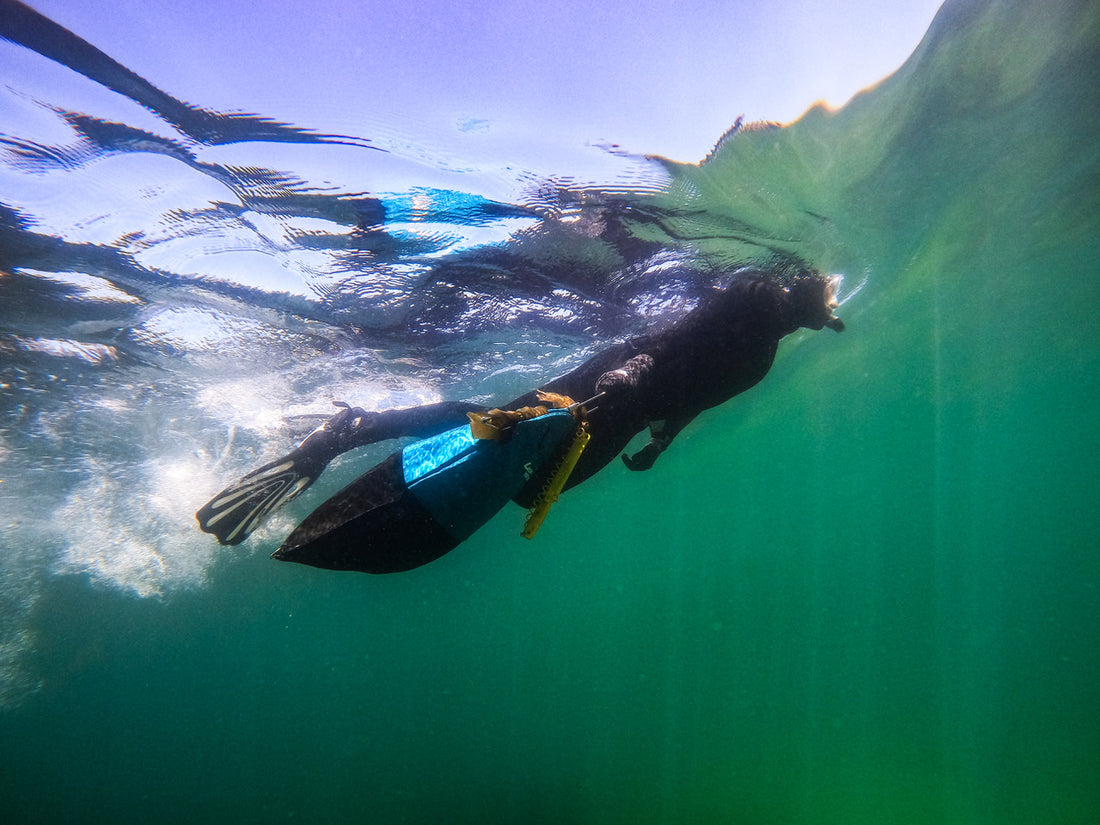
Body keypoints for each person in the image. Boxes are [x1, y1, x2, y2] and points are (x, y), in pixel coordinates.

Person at [196, 266, 844, 571]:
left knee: (522, 469)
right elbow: (676, 345)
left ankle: (358, 426)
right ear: (810, 301)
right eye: (828, 302)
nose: (828, 313)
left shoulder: (763, 350)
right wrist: (630, 379)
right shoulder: (757, 305)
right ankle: (356, 425)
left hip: (627, 403)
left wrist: (663, 439)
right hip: (612, 383)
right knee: (503, 432)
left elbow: (696, 390)